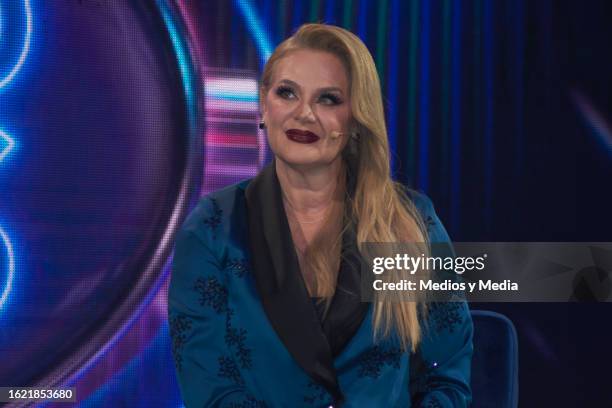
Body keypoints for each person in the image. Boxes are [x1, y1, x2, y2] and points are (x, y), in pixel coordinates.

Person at [168, 23, 473, 407]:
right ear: (264, 104)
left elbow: (447, 375)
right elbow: (210, 390)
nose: (304, 113)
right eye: (287, 93)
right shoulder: (212, 229)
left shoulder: (412, 220)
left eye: (328, 99)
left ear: (356, 119)